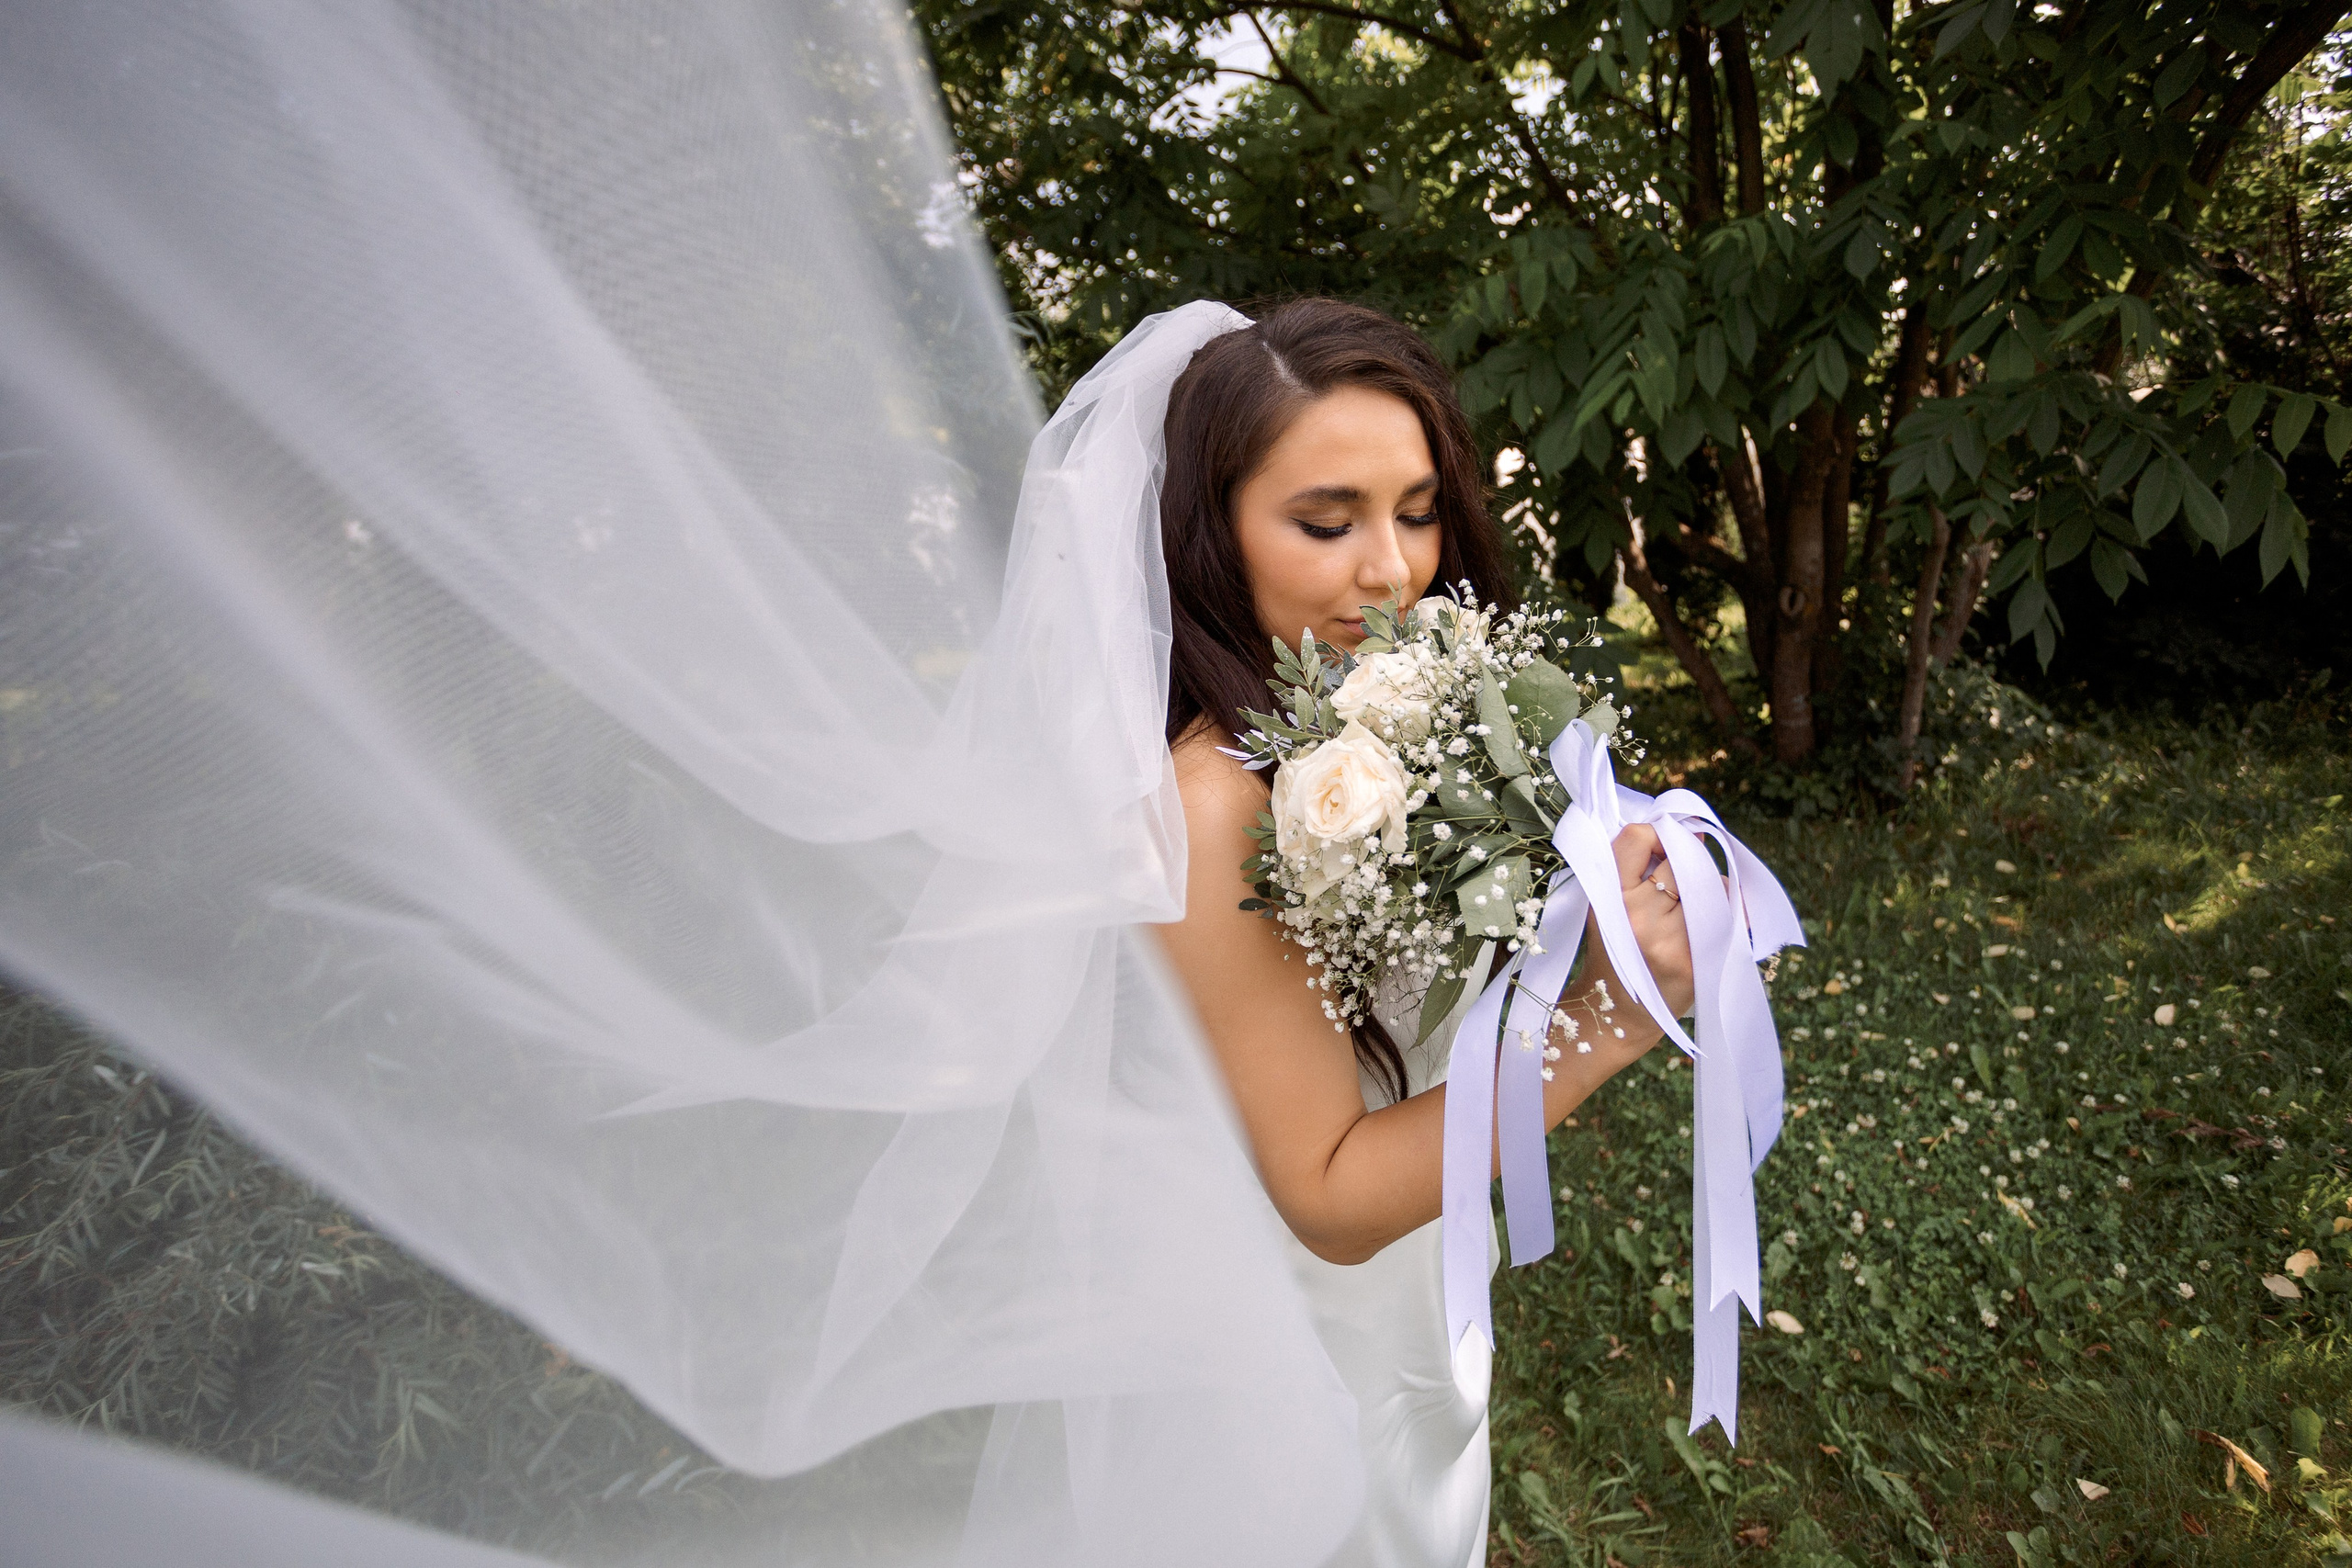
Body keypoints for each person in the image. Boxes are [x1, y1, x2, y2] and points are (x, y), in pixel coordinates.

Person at [1148, 299, 1700, 1568]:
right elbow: (1329, 1196)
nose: (1392, 571)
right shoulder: (1217, 801)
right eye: (1326, 522)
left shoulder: (1360, 709)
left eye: (1417, 510)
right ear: (1211, 533)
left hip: (1405, 1281)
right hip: (1289, 1322)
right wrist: (1609, 1018)